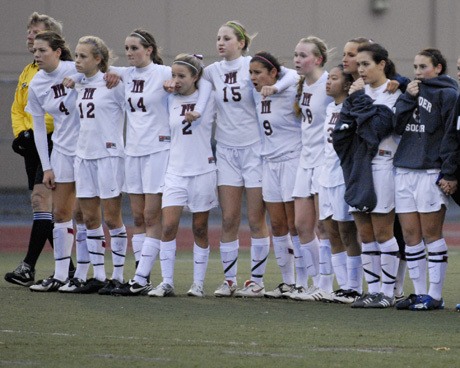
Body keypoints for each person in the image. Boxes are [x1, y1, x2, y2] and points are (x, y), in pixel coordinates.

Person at [183, 21, 297, 297]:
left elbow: (292, 75)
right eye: (218, 38)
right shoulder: (211, 72)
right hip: (225, 150)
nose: (220, 43)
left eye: (227, 38)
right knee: (230, 218)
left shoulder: (251, 66)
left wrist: (276, 88)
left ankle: (256, 281)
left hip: (255, 150)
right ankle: (230, 280)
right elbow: (182, 74)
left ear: (242, 42)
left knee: (257, 219)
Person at [4, 12, 76, 287]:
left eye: (36, 34)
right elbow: (19, 107)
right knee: (43, 208)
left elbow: (60, 111)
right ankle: (66, 269)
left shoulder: (67, 69)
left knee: (45, 203)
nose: (30, 39)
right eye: (29, 35)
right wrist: (21, 132)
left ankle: (29, 266)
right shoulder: (29, 70)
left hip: (55, 142)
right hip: (34, 142)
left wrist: (41, 132)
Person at [333, 43, 402, 308]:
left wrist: (359, 103)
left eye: (366, 64)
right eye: (358, 65)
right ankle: (372, 290)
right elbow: (341, 133)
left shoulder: (395, 93)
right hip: (357, 166)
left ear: (382, 64)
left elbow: (377, 129)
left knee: (383, 232)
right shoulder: (356, 93)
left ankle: (387, 292)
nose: (360, 70)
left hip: (383, 165)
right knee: (365, 233)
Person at [108, 29, 172, 296]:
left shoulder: (164, 72)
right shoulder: (125, 75)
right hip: (132, 152)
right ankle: (141, 277)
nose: (130, 53)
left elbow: (195, 74)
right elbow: (91, 67)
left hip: (158, 150)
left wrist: (179, 85)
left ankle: (141, 276)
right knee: (136, 216)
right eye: (127, 48)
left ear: (149, 49)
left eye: (135, 48)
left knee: (151, 215)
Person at [147, 54, 217, 297]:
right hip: (175, 171)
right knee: (168, 226)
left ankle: (197, 284)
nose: (175, 80)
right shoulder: (168, 99)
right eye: (173, 75)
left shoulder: (209, 97)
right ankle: (167, 282)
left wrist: (198, 108)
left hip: (203, 171)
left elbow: (207, 83)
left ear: (195, 77)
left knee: (200, 228)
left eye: (181, 76)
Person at [393, 48, 458, 310]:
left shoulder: (449, 94)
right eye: (416, 67)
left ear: (438, 68)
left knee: (431, 235)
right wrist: (408, 99)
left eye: (424, 67)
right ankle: (419, 294)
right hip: (404, 169)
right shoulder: (409, 91)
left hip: (430, 170)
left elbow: (451, 136)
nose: (418, 72)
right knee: (410, 236)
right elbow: (395, 125)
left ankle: (435, 295)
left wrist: (449, 171)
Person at [64, 35, 127, 295]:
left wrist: (115, 74)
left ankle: (119, 276)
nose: (77, 61)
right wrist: (76, 78)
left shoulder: (113, 83)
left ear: (98, 59)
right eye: (76, 55)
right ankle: (98, 275)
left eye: (83, 56)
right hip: (84, 155)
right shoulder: (79, 83)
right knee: (89, 217)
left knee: (112, 218)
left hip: (108, 155)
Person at [295, 64, 358, 302]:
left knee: (347, 231)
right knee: (329, 230)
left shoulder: (352, 108)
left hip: (343, 176)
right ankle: (337, 287)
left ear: (347, 83)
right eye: (328, 78)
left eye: (333, 78)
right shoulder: (330, 107)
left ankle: (354, 287)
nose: (328, 83)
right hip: (326, 174)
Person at [25, 31, 80, 291]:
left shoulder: (75, 68)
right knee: (60, 213)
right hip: (60, 151)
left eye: (42, 50)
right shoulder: (36, 84)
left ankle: (94, 275)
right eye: (35, 50)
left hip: (91, 152)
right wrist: (47, 166)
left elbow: (104, 72)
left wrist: (80, 77)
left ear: (58, 52)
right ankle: (61, 275)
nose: (37, 55)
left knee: (88, 215)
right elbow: (38, 127)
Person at [283, 36, 335, 300]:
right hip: (305, 160)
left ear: (318, 59)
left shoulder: (330, 84)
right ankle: (316, 282)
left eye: (303, 55)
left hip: (325, 161)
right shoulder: (300, 84)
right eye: (296, 55)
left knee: (325, 227)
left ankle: (327, 284)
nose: (297, 60)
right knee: (302, 225)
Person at [247, 52, 301, 298]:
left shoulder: (287, 88)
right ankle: (287, 282)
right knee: (278, 225)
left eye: (258, 72)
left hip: (291, 160)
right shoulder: (255, 93)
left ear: (273, 73)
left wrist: (276, 86)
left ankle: (303, 281)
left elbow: (294, 74)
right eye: (251, 72)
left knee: (295, 224)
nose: (253, 77)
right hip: (268, 162)